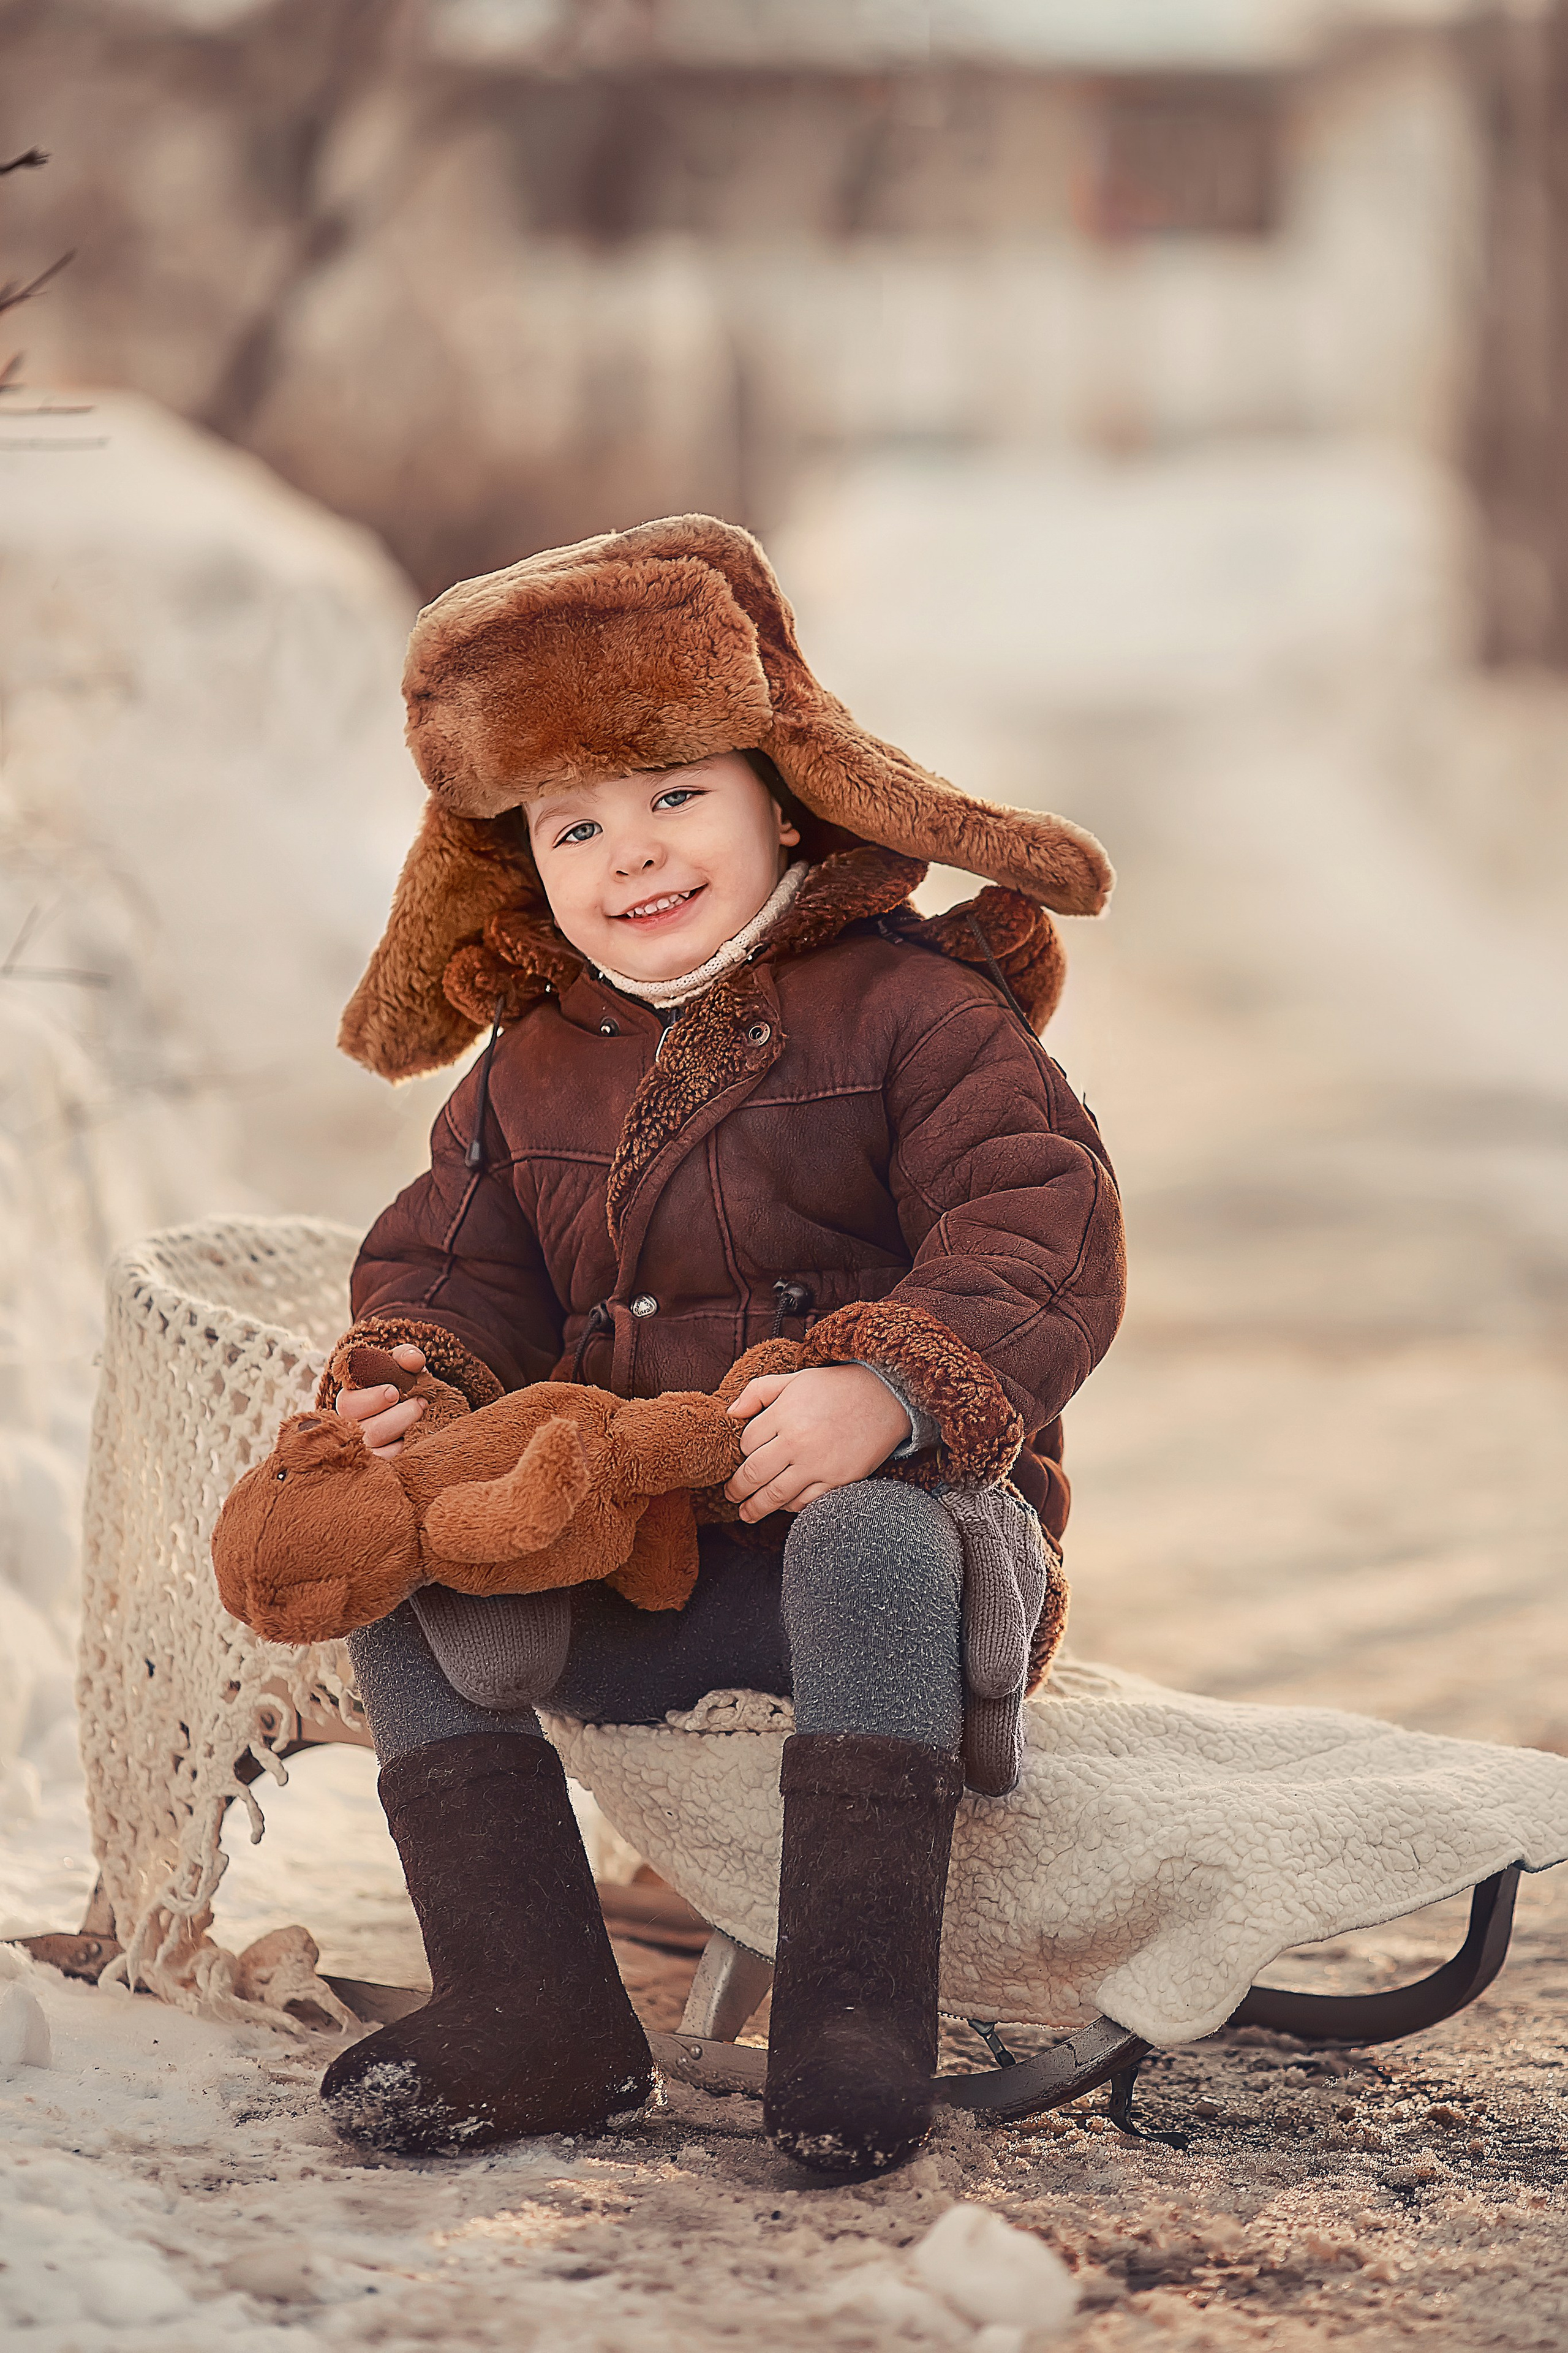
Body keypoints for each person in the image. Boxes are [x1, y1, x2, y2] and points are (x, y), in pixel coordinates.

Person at [314, 513, 1125, 2176]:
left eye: (675, 795)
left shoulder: (913, 1008)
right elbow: (455, 1268)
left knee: (867, 1539)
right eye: (575, 826)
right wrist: (415, 1386)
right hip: (648, 1557)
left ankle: (854, 2013)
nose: (632, 854)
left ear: (784, 795)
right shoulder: (532, 1063)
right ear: (521, 860)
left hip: (900, 1559)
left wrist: (889, 1388)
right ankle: (532, 2004)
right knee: (388, 1553)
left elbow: (1039, 1216)